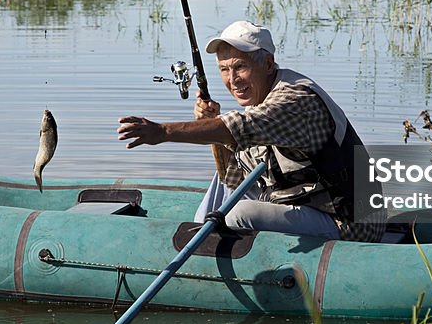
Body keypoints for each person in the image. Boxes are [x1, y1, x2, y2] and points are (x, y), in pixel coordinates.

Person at [117, 20, 384, 242]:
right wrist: (213, 131)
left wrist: (163, 131)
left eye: (240, 67)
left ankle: (208, 254)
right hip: (306, 202)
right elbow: (232, 177)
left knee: (239, 213)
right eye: (224, 69)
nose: (232, 80)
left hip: (350, 222)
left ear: (268, 64)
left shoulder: (294, 99)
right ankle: (199, 238)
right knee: (224, 189)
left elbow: (240, 127)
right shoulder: (262, 101)